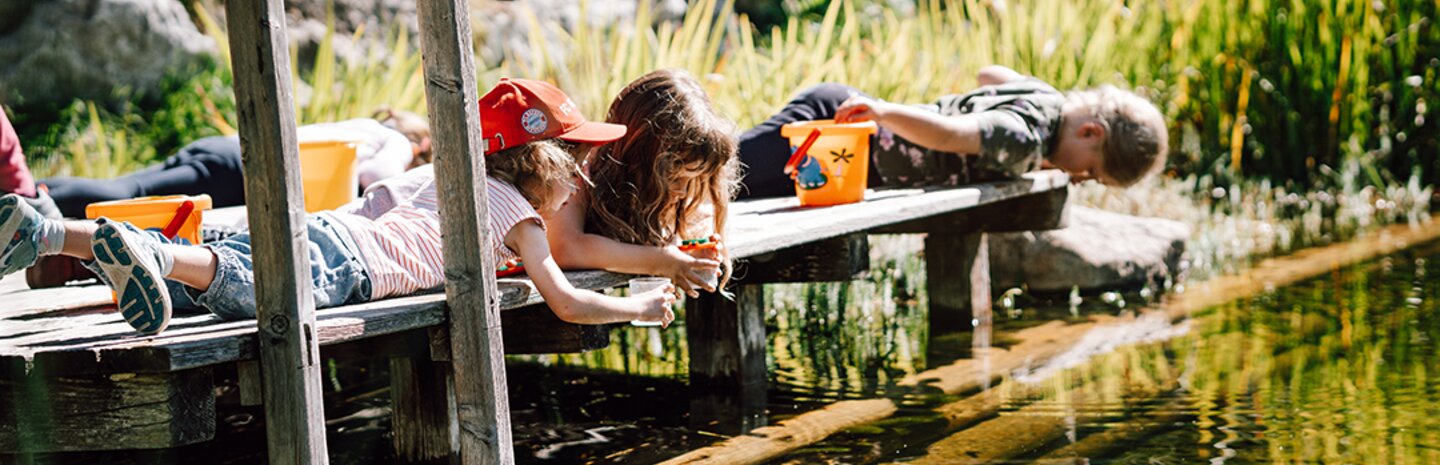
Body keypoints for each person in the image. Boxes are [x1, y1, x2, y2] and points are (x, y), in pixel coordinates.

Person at [0, 79, 675, 335]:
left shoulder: (440, 177)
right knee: (245, 287)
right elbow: (565, 299)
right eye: (576, 158)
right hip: (351, 265)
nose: (584, 174)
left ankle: (55, 230)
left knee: (215, 275)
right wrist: (639, 305)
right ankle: (143, 251)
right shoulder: (515, 215)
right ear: (539, 160)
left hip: (327, 228)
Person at [737, 65, 1169, 199]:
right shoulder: (1021, 141)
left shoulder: (1045, 99)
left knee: (736, 191)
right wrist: (886, 112)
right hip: (835, 128)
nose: (1079, 178)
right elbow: (950, 134)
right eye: (1091, 171)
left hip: (843, 156)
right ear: (1091, 132)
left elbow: (989, 75)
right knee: (722, 169)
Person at [546, 69, 741, 296]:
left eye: (691, 181)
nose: (681, 191)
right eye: (673, 178)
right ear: (634, 159)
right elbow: (565, 248)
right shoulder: (576, 169)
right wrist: (660, 261)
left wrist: (686, 251)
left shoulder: (654, 190)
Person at [38, 109, 434, 218]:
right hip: (241, 168)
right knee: (128, 195)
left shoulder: (363, 126)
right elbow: (375, 177)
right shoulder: (399, 141)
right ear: (423, 145)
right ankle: (25, 193)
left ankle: (29, 191)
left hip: (225, 148)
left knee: (130, 186)